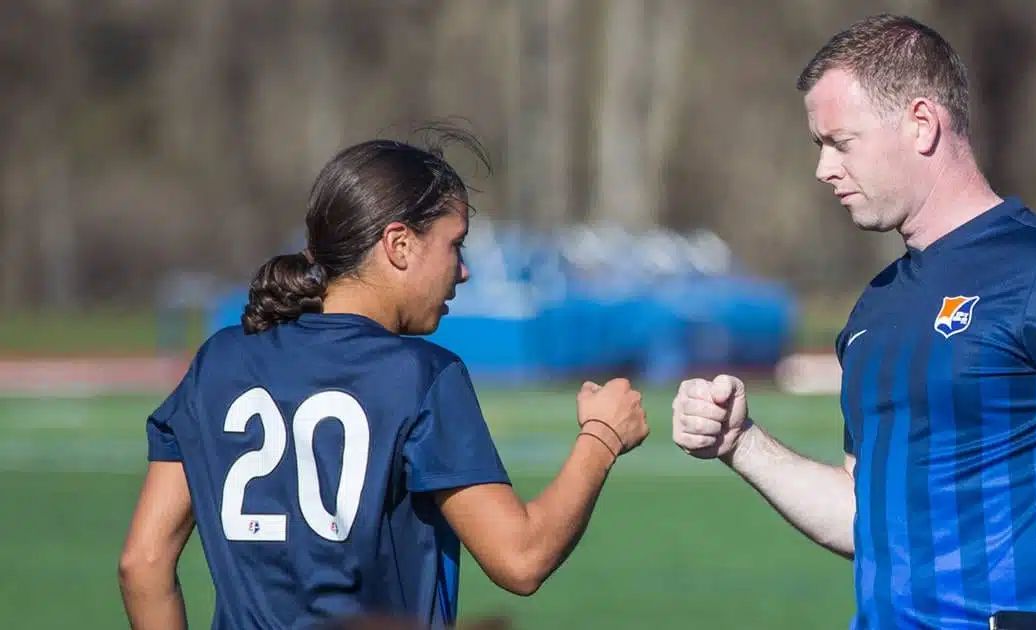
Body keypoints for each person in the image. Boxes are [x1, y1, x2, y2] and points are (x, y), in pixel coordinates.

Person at [671, 13, 1036, 630]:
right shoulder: (875, 310)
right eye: (819, 146)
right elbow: (865, 516)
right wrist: (742, 444)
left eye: (841, 142)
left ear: (921, 124)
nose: (824, 168)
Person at [117, 127, 650, 630]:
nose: (463, 270)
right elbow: (521, 558)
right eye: (455, 244)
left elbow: (143, 563)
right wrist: (601, 437)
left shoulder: (218, 361)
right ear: (399, 245)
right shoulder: (420, 375)